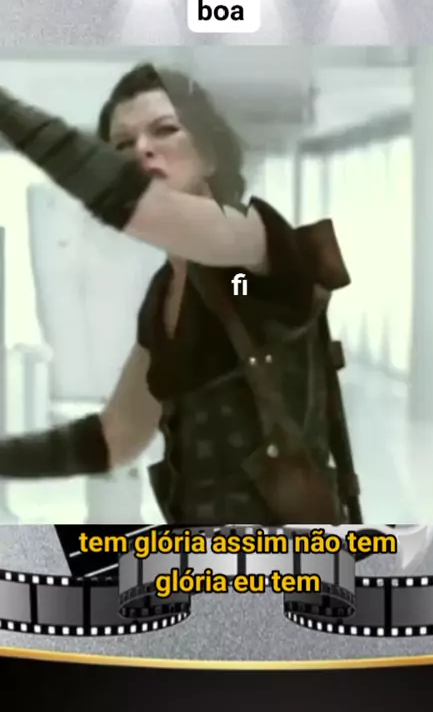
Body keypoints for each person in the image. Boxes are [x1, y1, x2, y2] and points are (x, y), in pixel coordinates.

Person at [0, 63, 360, 524]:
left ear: (209, 155)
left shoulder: (254, 240)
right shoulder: (165, 294)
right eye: (122, 145)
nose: (141, 149)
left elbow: (131, 201)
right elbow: (115, 436)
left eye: (165, 130)